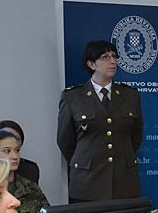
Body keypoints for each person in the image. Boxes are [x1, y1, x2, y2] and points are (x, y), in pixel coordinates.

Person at [57, 40, 144, 201]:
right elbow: (65, 140)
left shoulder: (130, 95)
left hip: (123, 181)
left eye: (114, 56)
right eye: (105, 57)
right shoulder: (73, 97)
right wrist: (85, 161)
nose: (112, 61)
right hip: (88, 182)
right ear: (91, 64)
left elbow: (136, 136)